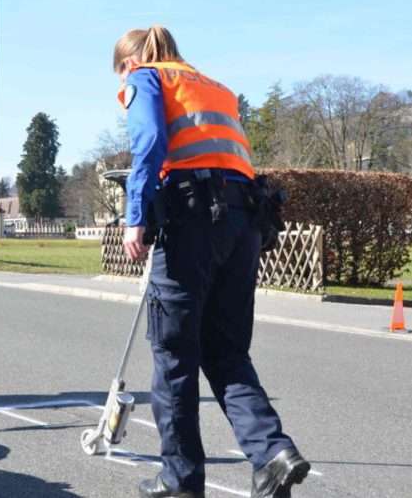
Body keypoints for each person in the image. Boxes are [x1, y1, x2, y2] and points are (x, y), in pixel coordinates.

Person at [114, 27, 310, 498]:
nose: (123, 79)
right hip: (242, 221)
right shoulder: (215, 86)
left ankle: (179, 481)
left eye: (120, 68)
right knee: (226, 352)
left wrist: (135, 217)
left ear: (133, 59)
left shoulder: (147, 77)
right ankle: (272, 455)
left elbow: (149, 143)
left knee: (174, 359)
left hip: (191, 221)